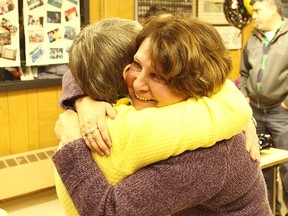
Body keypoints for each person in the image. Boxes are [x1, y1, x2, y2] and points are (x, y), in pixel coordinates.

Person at [53, 16, 271, 215]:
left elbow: (109, 211)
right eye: (136, 64)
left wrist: (74, 143)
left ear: (192, 85)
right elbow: (83, 63)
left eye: (159, 77)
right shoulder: (196, 101)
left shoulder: (203, 151)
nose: (138, 83)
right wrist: (82, 100)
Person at [239, 0, 288, 215]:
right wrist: (244, 98)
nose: (254, 16)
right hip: (255, 112)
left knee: (287, 168)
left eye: (257, 10)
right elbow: (243, 73)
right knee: (262, 165)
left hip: (281, 112)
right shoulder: (253, 38)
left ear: (272, 8)